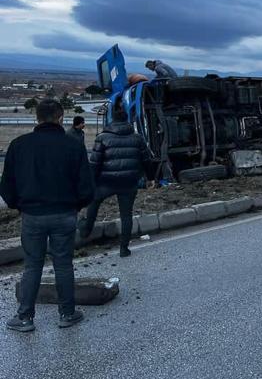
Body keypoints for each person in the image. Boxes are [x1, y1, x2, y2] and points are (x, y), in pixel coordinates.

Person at [1, 99, 94, 332]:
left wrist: (19, 206)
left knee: (32, 265)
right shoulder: (73, 145)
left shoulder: (19, 145)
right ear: (61, 117)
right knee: (63, 264)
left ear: (37, 118)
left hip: (32, 215)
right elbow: (86, 186)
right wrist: (76, 205)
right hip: (64, 213)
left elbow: (6, 186)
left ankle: (24, 317)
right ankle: (67, 314)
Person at [80, 104, 153, 257]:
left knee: (94, 203)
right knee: (126, 215)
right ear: (127, 120)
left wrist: (91, 181)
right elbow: (146, 160)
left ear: (112, 119)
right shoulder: (137, 138)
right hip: (129, 182)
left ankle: (85, 231)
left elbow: (94, 163)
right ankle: (124, 249)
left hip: (106, 182)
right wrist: (150, 177)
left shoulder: (102, 137)